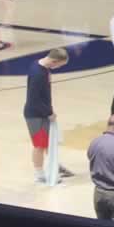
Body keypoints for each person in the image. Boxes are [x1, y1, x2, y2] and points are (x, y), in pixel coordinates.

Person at [25, 47, 70, 185]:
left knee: (49, 142)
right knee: (39, 145)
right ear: (54, 61)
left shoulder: (41, 66)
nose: (58, 67)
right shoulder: (39, 74)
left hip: (42, 111)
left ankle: (55, 165)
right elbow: (35, 98)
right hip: (35, 114)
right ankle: (39, 175)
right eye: (59, 65)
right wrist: (49, 113)